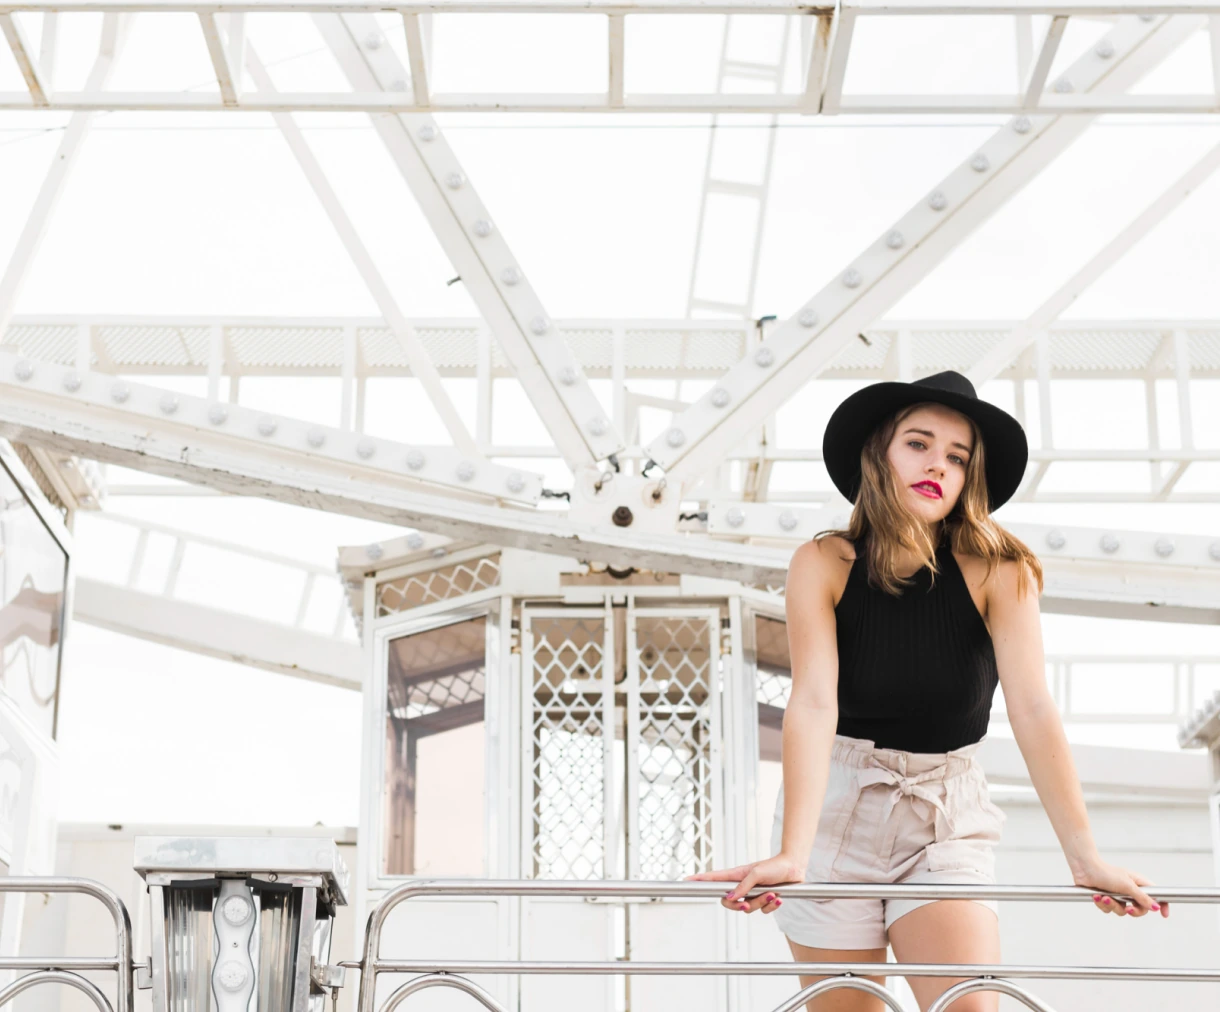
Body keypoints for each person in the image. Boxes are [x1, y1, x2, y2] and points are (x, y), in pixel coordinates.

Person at [688, 371, 1168, 1012]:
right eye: (918, 444)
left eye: (958, 457)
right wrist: (792, 854)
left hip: (945, 815)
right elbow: (814, 703)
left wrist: (1086, 859)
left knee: (970, 1004)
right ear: (878, 455)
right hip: (837, 810)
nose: (938, 464)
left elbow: (1032, 708)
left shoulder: (1002, 570)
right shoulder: (823, 563)